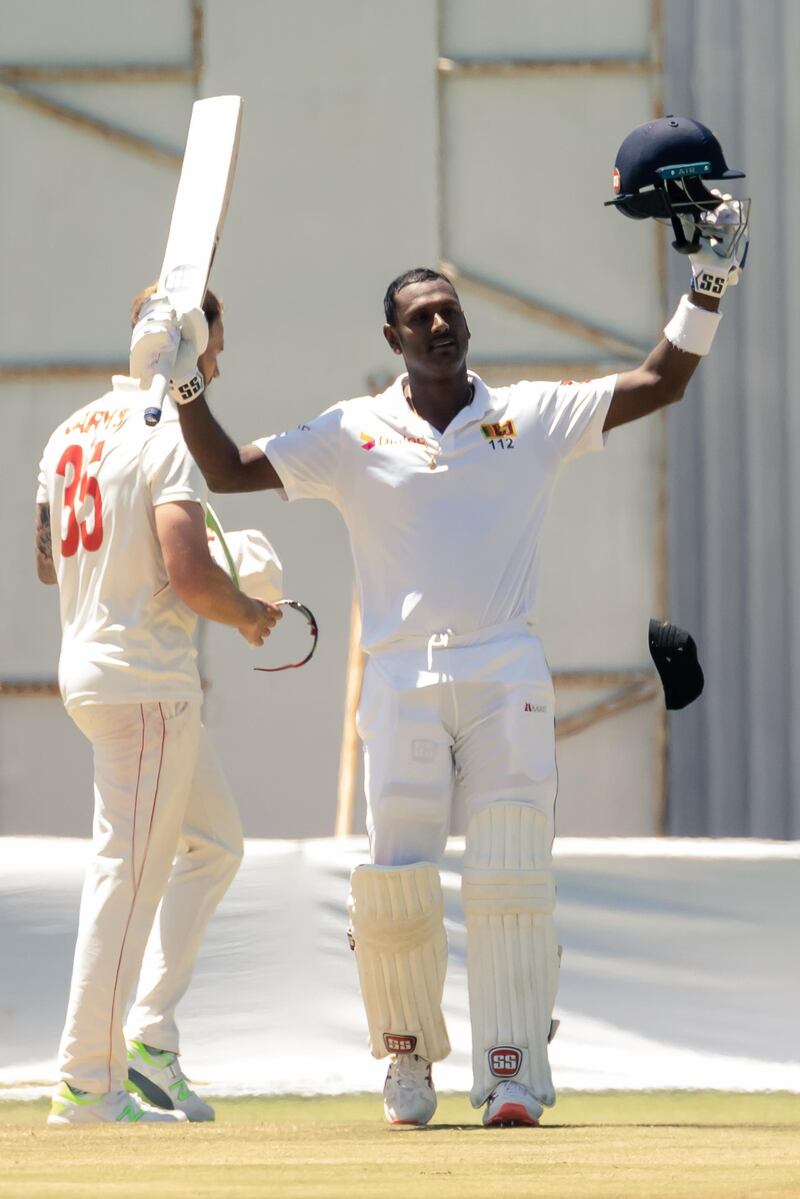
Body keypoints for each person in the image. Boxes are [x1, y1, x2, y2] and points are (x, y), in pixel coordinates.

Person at [142, 119, 748, 1127]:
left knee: (511, 866)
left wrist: (711, 281)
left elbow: (659, 381)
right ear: (392, 338)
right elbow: (224, 471)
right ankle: (406, 1061)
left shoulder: (526, 416)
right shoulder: (349, 431)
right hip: (398, 675)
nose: (439, 327)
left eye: (449, 312)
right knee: (397, 883)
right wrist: (189, 377)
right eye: (420, 317)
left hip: (503, 662)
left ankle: (510, 1068)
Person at [36, 287, 281, 1125]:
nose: (220, 362)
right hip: (145, 682)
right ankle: (86, 1082)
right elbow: (186, 573)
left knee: (213, 844)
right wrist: (248, 608)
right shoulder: (167, 432)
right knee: (126, 878)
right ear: (195, 344)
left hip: (93, 666)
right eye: (218, 343)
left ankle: (148, 1037)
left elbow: (48, 559)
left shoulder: (70, 429)